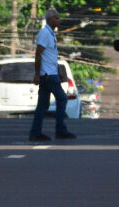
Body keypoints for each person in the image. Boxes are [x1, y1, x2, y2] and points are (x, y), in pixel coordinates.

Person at [29, 8, 76, 142]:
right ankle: (60, 130)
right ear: (49, 20)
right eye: (56, 18)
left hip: (51, 73)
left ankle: (35, 133)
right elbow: (39, 54)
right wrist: (37, 74)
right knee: (62, 99)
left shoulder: (51, 34)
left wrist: (59, 71)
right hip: (48, 75)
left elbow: (51, 56)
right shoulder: (44, 33)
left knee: (42, 106)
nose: (59, 20)